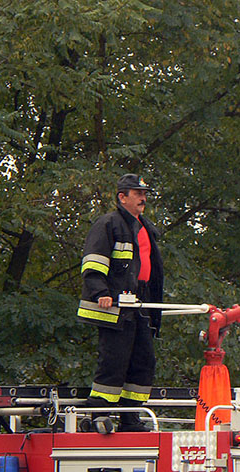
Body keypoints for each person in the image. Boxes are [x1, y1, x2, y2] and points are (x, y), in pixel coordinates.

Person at [77, 173, 164, 431]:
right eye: (137, 194)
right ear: (122, 197)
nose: (143, 198)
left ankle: (130, 417)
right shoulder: (108, 224)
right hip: (113, 307)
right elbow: (93, 263)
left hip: (140, 305)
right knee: (114, 363)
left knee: (143, 361)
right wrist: (99, 293)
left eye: (144, 194)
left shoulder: (145, 227)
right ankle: (99, 416)